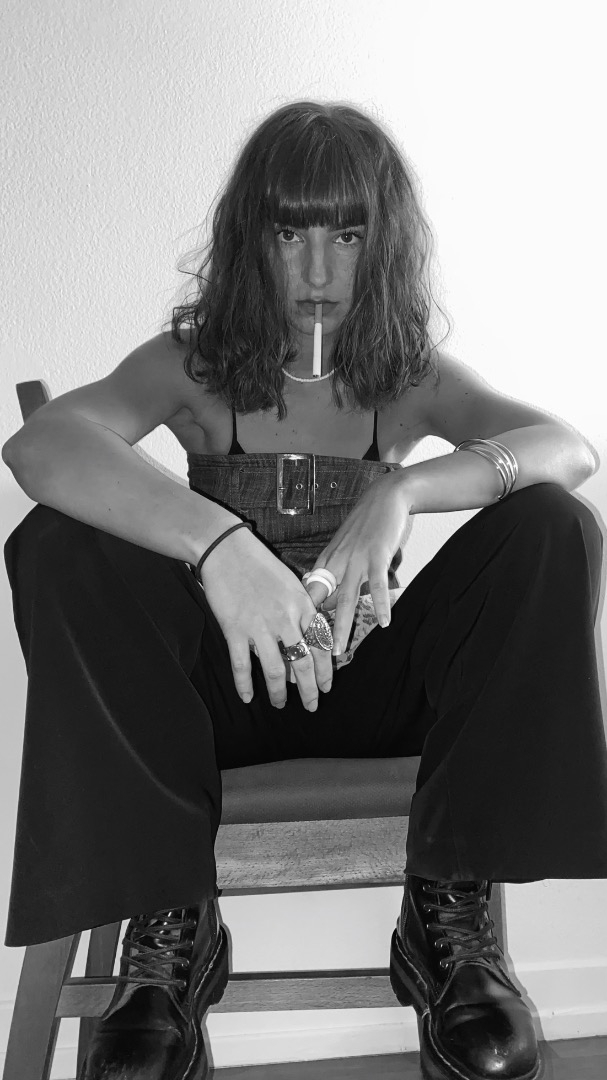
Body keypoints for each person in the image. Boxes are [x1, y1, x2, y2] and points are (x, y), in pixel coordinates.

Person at [2, 99, 607, 1080]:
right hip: (215, 704)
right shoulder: (193, 364)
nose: (318, 273)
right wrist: (219, 547)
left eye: (347, 236)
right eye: (291, 235)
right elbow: (41, 448)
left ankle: (447, 919)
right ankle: (168, 934)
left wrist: (402, 492)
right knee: (60, 542)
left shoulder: (405, 376)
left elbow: (564, 449)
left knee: (549, 527)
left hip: (372, 691)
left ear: (384, 245)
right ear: (253, 239)